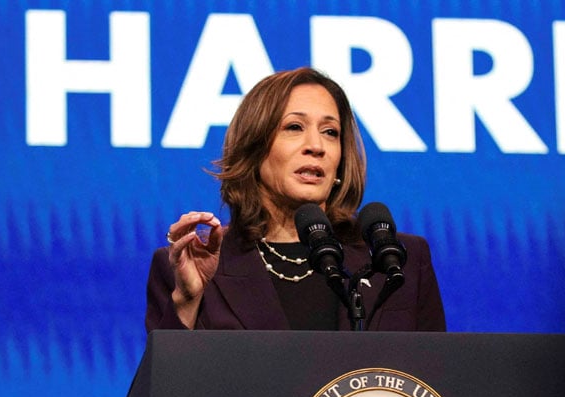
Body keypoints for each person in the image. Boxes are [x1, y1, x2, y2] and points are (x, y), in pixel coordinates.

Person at [145, 66, 446, 332]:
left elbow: (433, 383)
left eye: (330, 132)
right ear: (254, 148)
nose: (316, 146)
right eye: (294, 127)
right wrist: (187, 301)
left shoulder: (396, 260)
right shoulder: (191, 267)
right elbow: (163, 386)